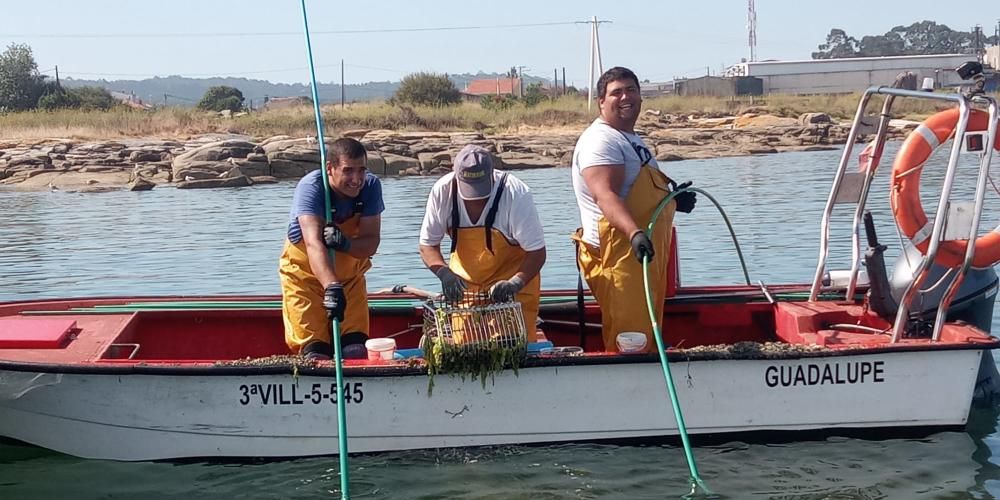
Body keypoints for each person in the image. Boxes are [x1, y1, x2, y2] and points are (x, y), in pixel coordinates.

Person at [571, 67, 696, 353]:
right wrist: (635, 233)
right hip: (620, 257)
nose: (625, 97)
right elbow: (606, 195)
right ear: (601, 101)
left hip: (641, 258)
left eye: (631, 90)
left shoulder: (629, 139)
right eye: (616, 92)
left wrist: (674, 200)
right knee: (631, 343)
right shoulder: (600, 141)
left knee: (646, 336)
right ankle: (628, 392)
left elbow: (636, 191)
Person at [418, 144, 546, 338]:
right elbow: (427, 245)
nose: (476, 199)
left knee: (512, 347)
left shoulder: (514, 192)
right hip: (467, 292)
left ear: (491, 175)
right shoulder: (442, 191)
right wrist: (444, 273)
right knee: (466, 350)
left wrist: (515, 283)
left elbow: (537, 252)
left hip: (512, 291)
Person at [279, 137, 384, 360]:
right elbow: (313, 243)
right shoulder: (311, 188)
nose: (356, 179)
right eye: (348, 171)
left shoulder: (371, 187)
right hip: (305, 280)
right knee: (316, 353)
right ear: (330, 168)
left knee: (354, 350)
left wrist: (346, 244)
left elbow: (371, 242)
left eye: (361, 170)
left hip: (351, 281)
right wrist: (331, 287)